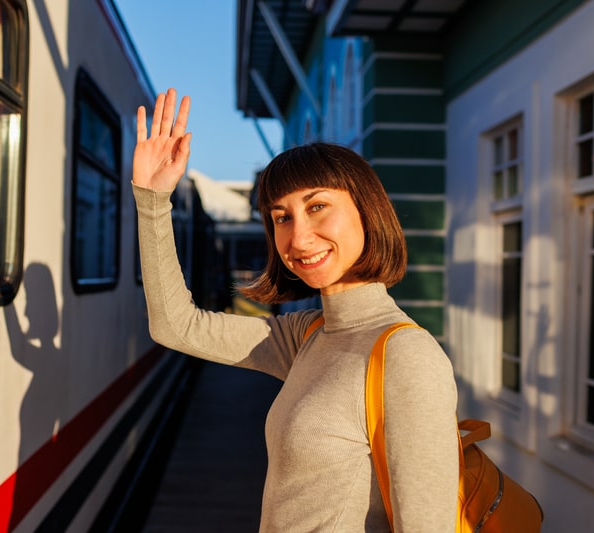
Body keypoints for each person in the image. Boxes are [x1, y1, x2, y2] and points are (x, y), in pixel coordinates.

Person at [132, 88, 459, 532]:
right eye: (281, 217)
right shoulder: (309, 334)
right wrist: (153, 202)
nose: (298, 237)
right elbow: (177, 326)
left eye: (318, 206)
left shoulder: (407, 357)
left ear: (367, 211)